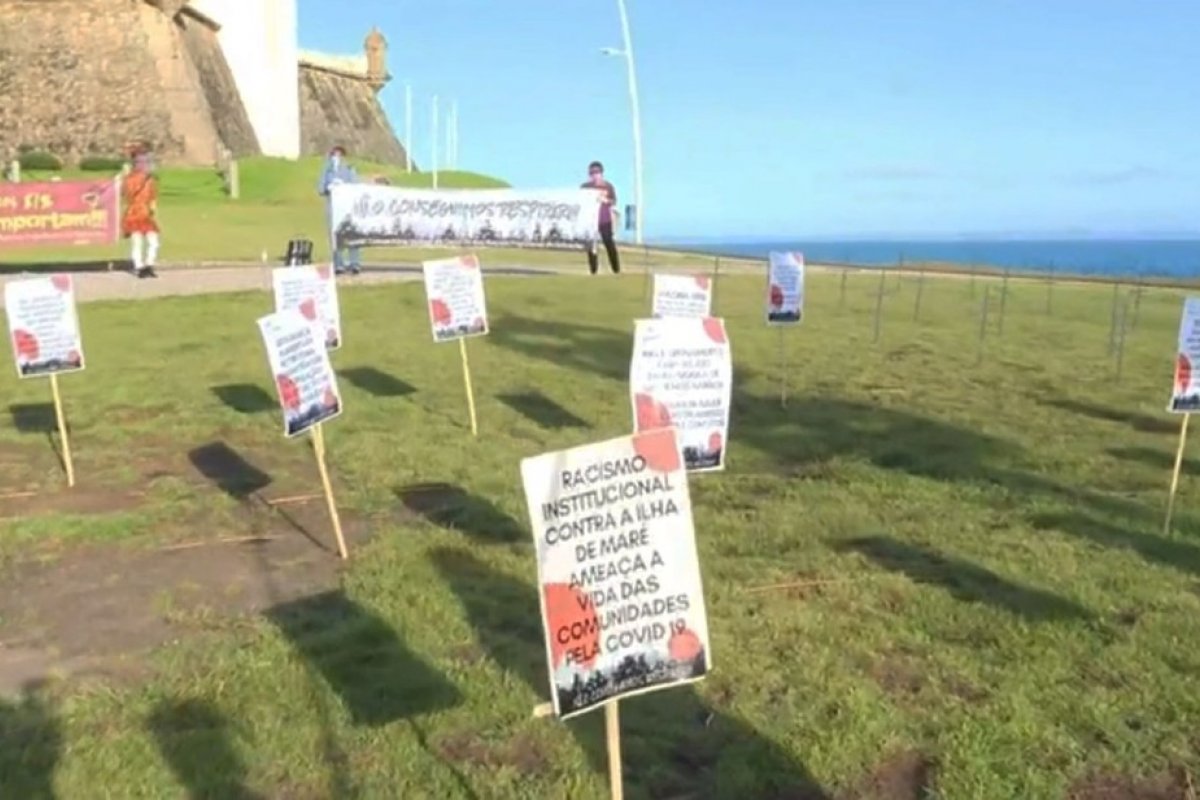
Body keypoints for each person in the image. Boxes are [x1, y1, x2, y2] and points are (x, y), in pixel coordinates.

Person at [317, 145, 362, 275]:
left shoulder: (349, 168)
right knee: (335, 236)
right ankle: (338, 264)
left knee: (352, 235)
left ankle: (355, 263)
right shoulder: (327, 169)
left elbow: (356, 186)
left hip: (347, 207)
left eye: (339, 154)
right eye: (334, 154)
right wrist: (328, 186)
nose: (336, 157)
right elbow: (320, 188)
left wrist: (344, 186)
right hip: (332, 207)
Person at [121, 150, 159, 279]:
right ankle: (139, 266)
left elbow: (152, 196)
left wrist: (152, 207)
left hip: (146, 214)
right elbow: (128, 194)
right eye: (141, 162)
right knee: (137, 242)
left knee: (153, 241)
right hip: (134, 212)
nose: (144, 165)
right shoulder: (130, 178)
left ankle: (149, 264)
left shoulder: (150, 179)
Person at [581, 160, 620, 274]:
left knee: (609, 243)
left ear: (601, 173)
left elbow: (614, 201)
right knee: (592, 246)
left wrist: (605, 200)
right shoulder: (585, 187)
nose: (594, 175)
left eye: (597, 172)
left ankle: (616, 269)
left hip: (604, 220)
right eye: (592, 173)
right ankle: (593, 271)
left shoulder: (608, 186)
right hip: (591, 221)